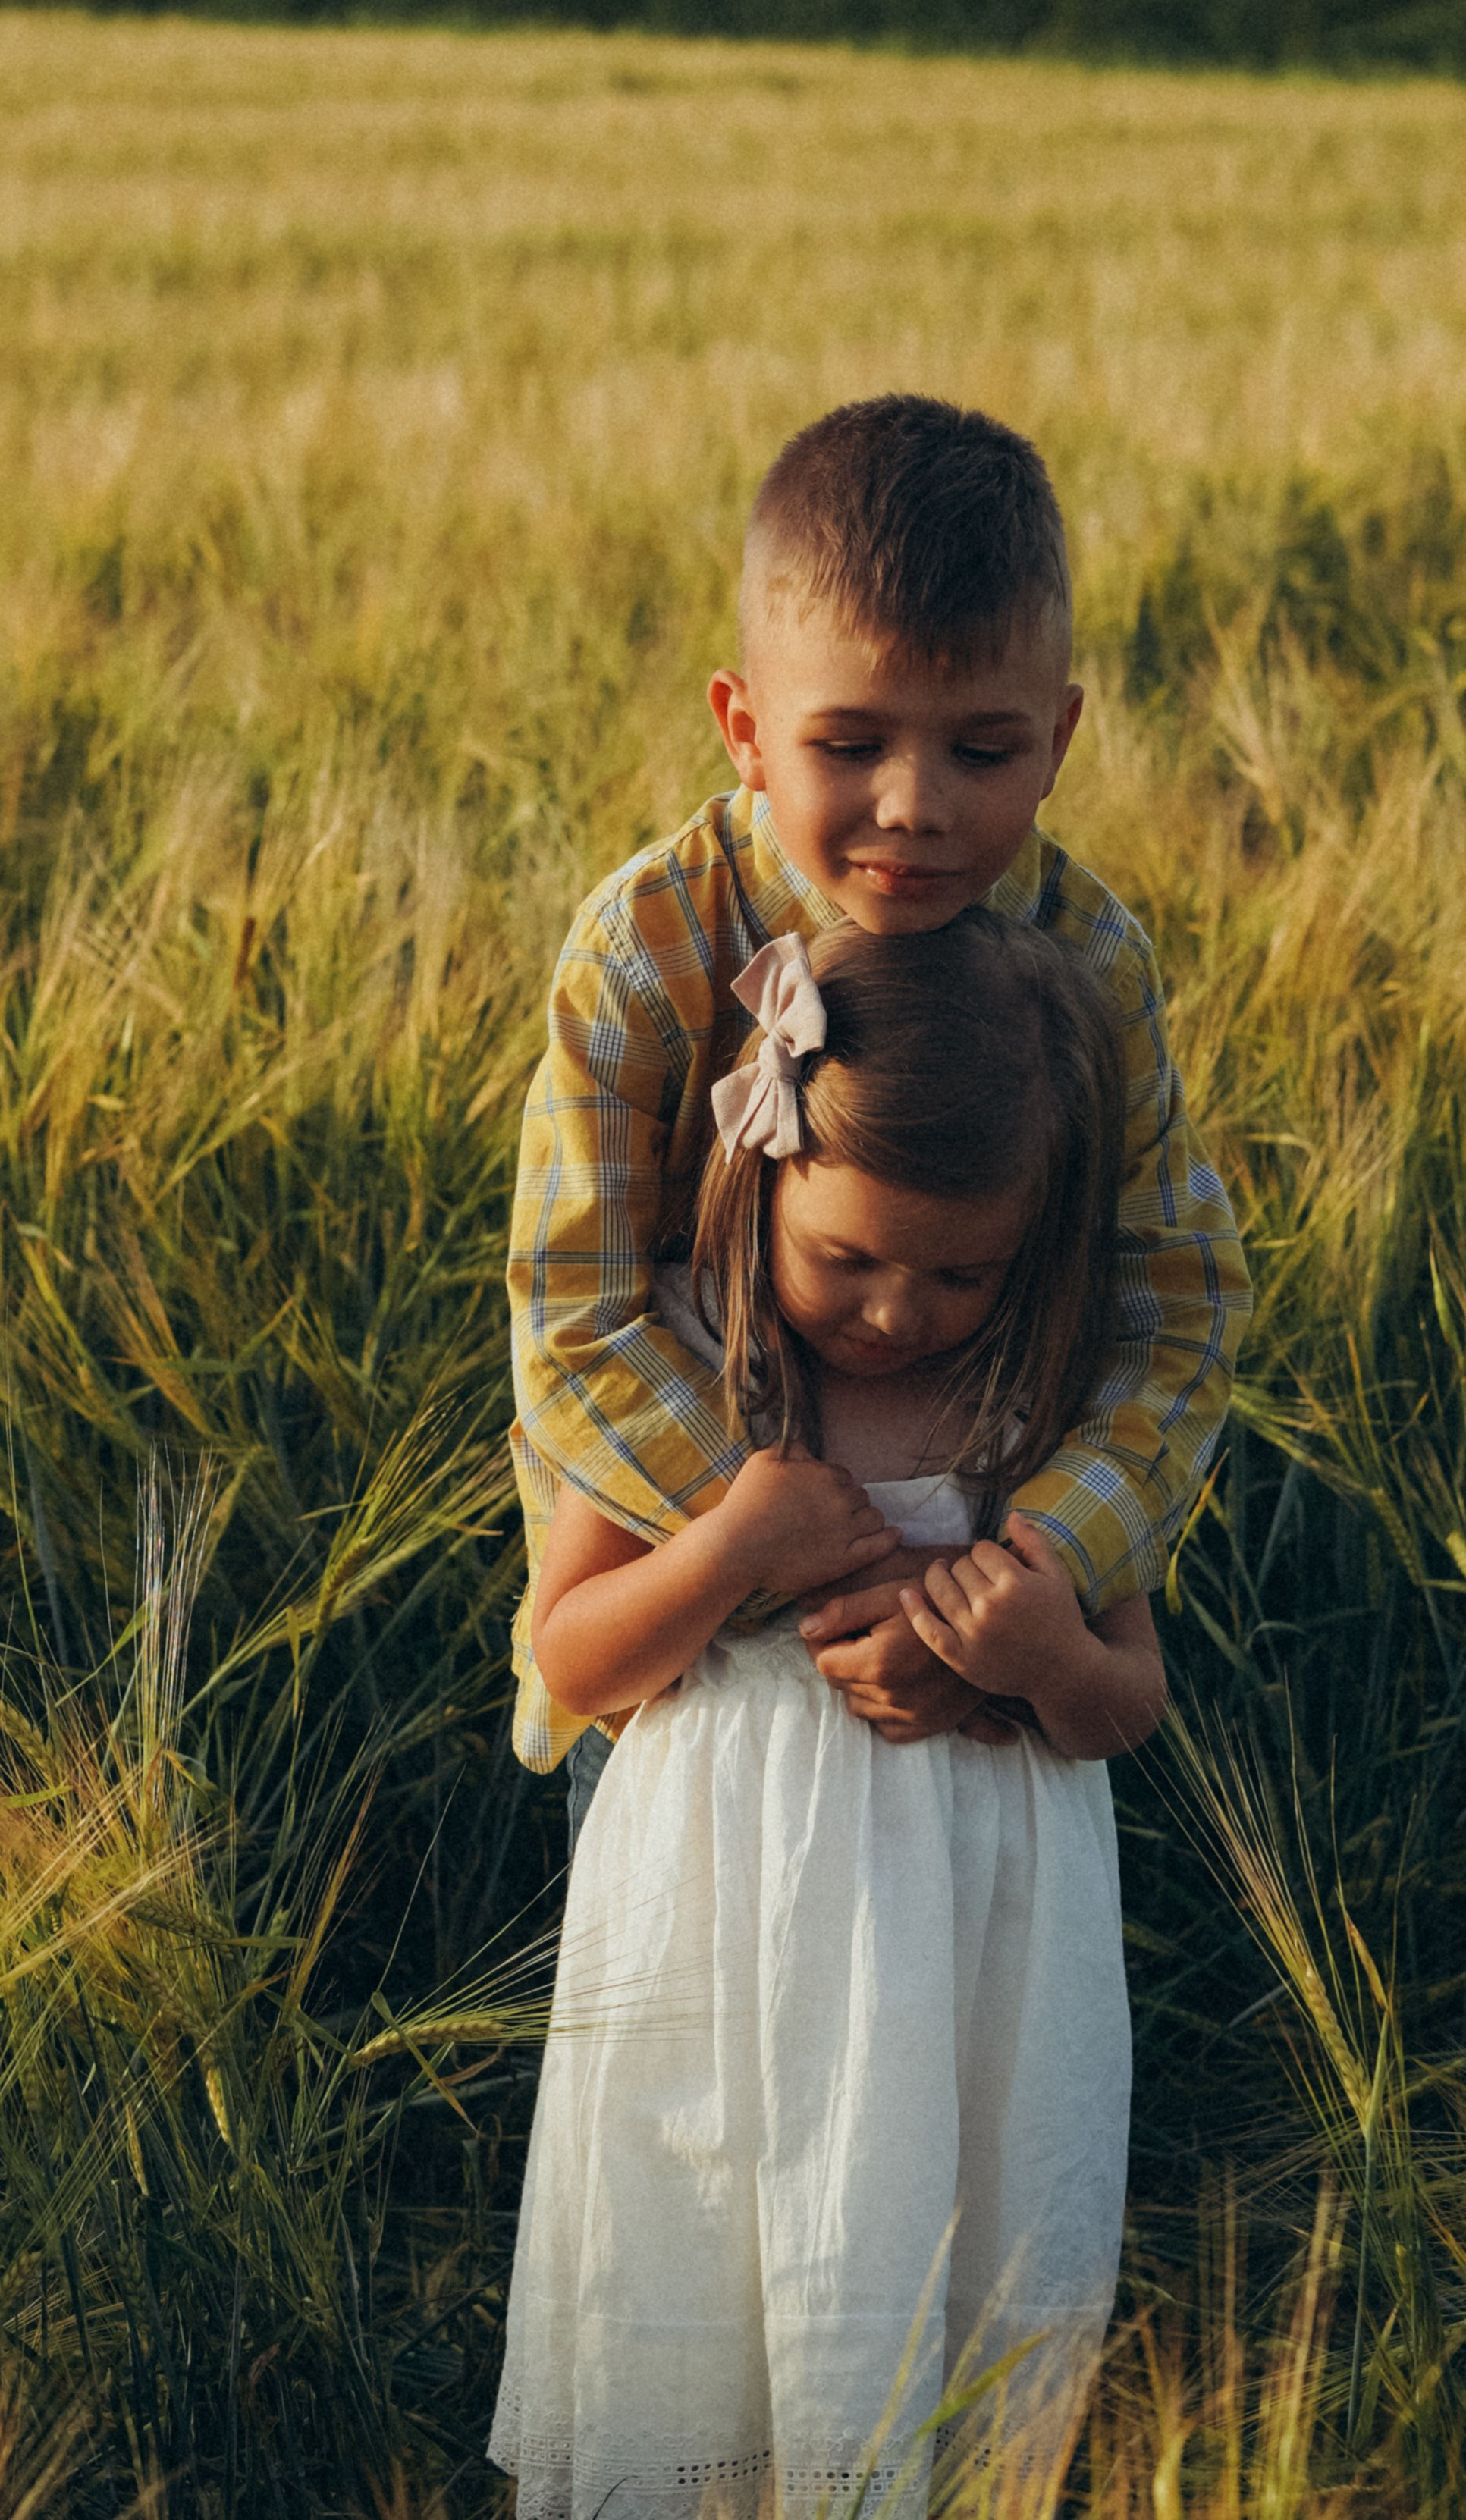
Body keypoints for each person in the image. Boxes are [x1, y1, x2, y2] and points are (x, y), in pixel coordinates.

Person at [490, 916, 1164, 2516]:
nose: (895, 1309)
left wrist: (1041, 1650)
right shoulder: (687, 1371)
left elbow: (1127, 1699)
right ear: (761, 1171)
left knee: (944, 2296)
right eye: (847, 1255)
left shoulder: (1052, 1408)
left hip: (979, 1965)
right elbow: (570, 1658)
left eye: (958, 1271)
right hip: (721, 1949)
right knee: (704, 2272)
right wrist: (728, 1546)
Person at [506, 394, 1249, 1824]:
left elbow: (1175, 1296)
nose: (913, 805)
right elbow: (575, 1315)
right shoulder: (646, 949)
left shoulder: (1090, 960)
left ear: (1062, 737)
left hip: (981, 1604)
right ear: (745, 727)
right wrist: (793, 1542)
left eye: (983, 751)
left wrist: (1011, 1583)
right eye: (848, 744)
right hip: (690, 1596)